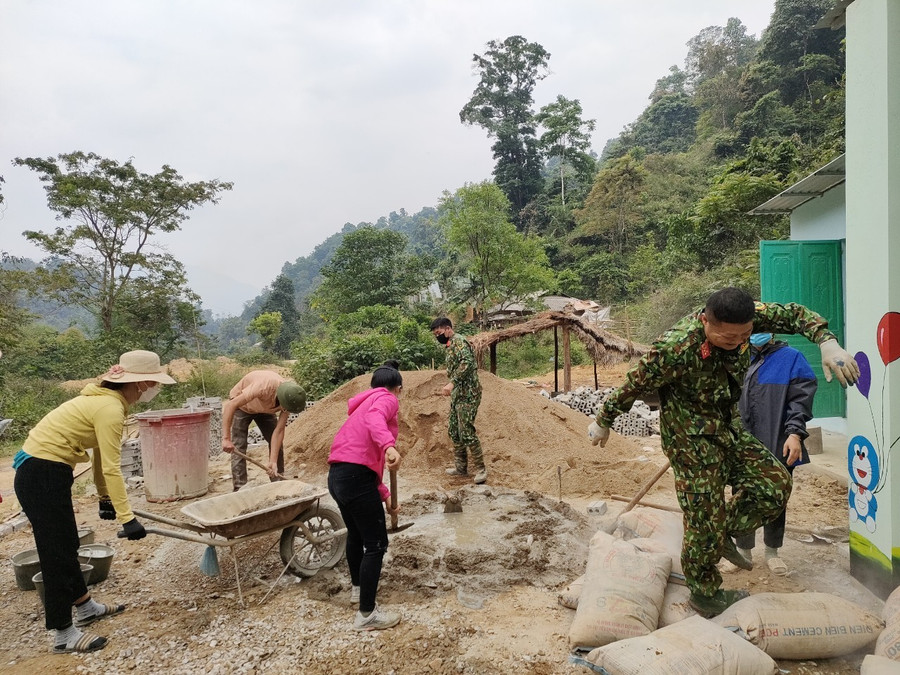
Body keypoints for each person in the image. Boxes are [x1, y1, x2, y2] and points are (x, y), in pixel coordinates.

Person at [587, 288, 858, 618]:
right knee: (702, 520)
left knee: (775, 486)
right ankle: (704, 593)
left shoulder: (747, 318)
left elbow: (794, 313)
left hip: (728, 427)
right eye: (730, 337)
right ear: (705, 321)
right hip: (689, 439)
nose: (740, 340)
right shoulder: (676, 347)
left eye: (746, 334)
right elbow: (634, 381)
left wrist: (826, 341)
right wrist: (604, 420)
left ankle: (721, 530)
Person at [13, 350, 175, 653]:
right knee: (57, 554)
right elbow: (113, 466)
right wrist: (128, 518)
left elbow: (102, 454)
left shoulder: (108, 403)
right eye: (152, 382)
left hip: (47, 472)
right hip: (42, 472)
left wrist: (104, 497)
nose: (154, 388)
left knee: (66, 545)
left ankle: (85, 608)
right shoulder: (110, 409)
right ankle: (63, 634)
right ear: (137, 384)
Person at [327, 360, 403, 631]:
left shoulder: (361, 407)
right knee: (376, 544)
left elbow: (366, 461)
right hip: (355, 478)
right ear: (398, 389)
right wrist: (389, 445)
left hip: (339, 477)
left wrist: (384, 497)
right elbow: (376, 426)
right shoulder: (386, 399)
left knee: (356, 535)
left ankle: (358, 590)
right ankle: (367, 614)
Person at [734, 332, 817, 576]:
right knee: (741, 496)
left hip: (779, 439)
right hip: (742, 443)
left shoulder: (791, 358)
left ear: (772, 332)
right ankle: (743, 551)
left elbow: (801, 401)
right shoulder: (737, 356)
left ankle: (772, 552)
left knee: (775, 497)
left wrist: (795, 434)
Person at [220, 371, 307, 490]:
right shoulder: (263, 387)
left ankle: (278, 481)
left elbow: (279, 431)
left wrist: (273, 461)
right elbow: (230, 405)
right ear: (281, 400)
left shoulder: (290, 398)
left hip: (265, 409)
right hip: (243, 407)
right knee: (238, 446)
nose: (285, 410)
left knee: (277, 445)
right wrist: (226, 439)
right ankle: (240, 488)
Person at [430, 317, 487, 484]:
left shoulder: (459, 341)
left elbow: (467, 363)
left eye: (439, 332)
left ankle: (481, 470)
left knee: (467, 431)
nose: (437, 336)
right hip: (458, 395)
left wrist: (451, 383)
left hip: (468, 394)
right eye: (435, 334)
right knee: (454, 430)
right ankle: (461, 467)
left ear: (448, 329)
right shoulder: (450, 345)